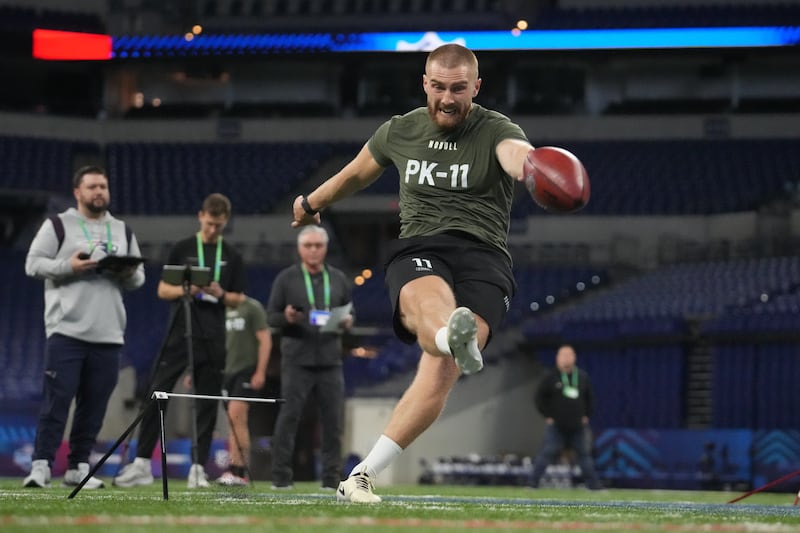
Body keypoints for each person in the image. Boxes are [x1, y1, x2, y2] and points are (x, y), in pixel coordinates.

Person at [291, 44, 538, 503]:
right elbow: (354, 175)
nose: (447, 97)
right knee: (433, 311)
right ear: (425, 83)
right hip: (422, 247)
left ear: (476, 87)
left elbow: (516, 154)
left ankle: (359, 475)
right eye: (439, 87)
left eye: (458, 89)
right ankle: (449, 337)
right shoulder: (400, 130)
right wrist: (311, 203)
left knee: (443, 371)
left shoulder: (497, 129)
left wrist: (537, 168)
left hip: (484, 256)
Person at [23, 165, 146, 488]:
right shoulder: (59, 225)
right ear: (78, 192)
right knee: (57, 400)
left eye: (103, 186)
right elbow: (32, 264)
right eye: (92, 187)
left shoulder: (121, 229)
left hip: (109, 333)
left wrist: (125, 272)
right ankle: (41, 465)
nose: (99, 192)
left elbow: (139, 278)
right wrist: (70, 266)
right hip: (67, 331)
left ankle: (78, 466)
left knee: (94, 407)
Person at [113, 193, 246, 489]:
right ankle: (142, 464)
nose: (213, 230)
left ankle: (197, 469)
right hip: (179, 331)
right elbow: (162, 290)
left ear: (226, 222)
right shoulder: (183, 248)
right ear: (201, 216)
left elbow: (238, 299)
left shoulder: (232, 255)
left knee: (207, 402)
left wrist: (217, 293)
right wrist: (189, 290)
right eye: (210, 223)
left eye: (219, 225)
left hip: (212, 336)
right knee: (156, 393)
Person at [266, 225, 354, 490]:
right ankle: (281, 478)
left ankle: (330, 480)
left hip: (330, 359)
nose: (314, 250)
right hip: (297, 358)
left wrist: (348, 321)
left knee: (332, 422)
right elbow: (271, 316)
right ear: (300, 248)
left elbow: (349, 313)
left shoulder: (338, 278)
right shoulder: (287, 278)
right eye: (308, 246)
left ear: (325, 248)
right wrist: (287, 318)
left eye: (318, 245)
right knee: (289, 417)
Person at [216, 295, 272, 486]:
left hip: (246, 370)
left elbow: (265, 339)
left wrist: (260, 371)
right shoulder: (222, 309)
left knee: (237, 417)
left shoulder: (252, 307)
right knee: (232, 421)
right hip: (227, 372)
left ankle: (239, 471)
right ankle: (236, 471)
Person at [529, 345, 601, 490]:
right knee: (547, 453)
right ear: (558, 358)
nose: (567, 358)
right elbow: (539, 398)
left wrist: (586, 415)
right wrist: (547, 415)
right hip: (556, 426)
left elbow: (590, 398)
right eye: (563, 355)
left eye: (569, 355)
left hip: (578, 426)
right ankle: (532, 484)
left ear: (574, 357)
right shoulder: (550, 377)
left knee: (584, 455)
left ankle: (594, 486)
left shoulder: (581, 377)